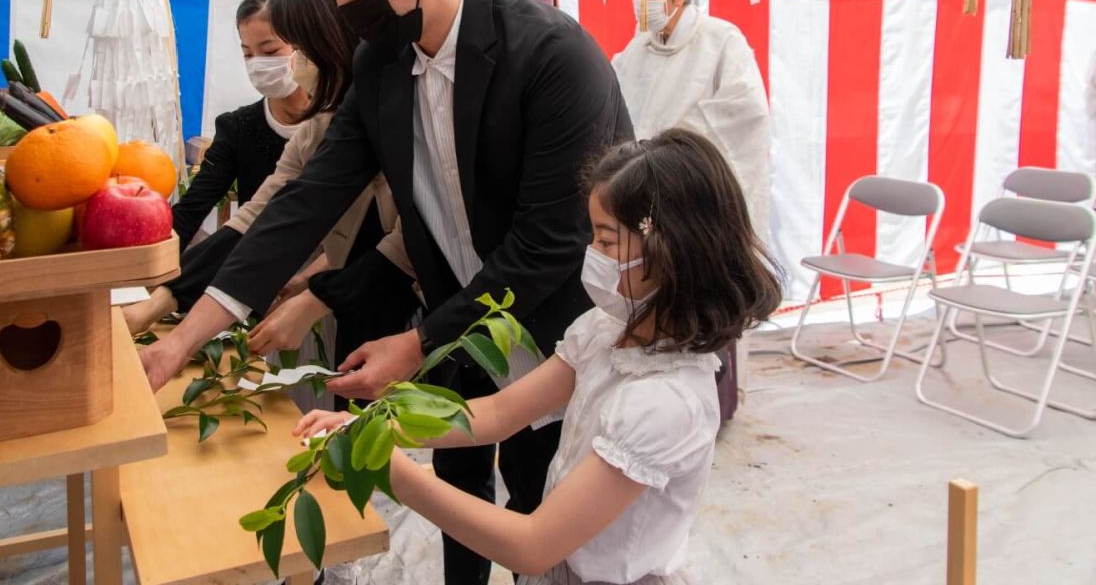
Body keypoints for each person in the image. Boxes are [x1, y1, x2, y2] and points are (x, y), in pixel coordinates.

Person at [154, 0, 632, 583]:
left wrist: (415, 344)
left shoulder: (550, 56)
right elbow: (308, 199)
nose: (342, 6)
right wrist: (184, 335)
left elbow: (549, 244)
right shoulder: (383, 63)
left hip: (555, 329)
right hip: (455, 324)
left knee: (547, 514)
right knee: (456, 493)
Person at [295, 129, 784, 585]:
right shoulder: (606, 331)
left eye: (607, 241)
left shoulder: (665, 402)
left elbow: (532, 546)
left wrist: (394, 471)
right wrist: (371, 428)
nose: (592, 253)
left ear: (671, 248)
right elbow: (496, 413)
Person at [132, 0, 420, 411]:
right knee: (346, 422)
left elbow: (409, 239)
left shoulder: (401, 109)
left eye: (287, 49)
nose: (295, 65)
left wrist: (315, 295)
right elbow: (263, 216)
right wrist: (166, 318)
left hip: (432, 301)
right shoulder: (320, 126)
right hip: (352, 298)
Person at [613, 0, 771, 242]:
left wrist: (667, 152)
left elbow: (746, 113)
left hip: (698, 197)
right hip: (642, 192)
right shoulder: (635, 50)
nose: (641, 4)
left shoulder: (722, 40)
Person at [170, 0, 305, 249]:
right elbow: (190, 212)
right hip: (255, 270)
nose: (257, 63)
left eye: (269, 52)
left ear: (306, 42)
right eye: (247, 54)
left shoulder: (339, 120)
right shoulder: (238, 128)